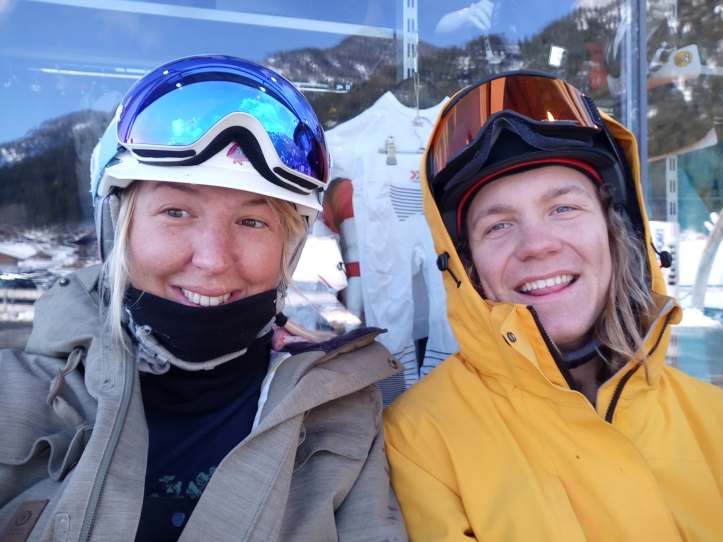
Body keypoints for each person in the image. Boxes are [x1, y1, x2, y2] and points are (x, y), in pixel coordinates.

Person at [0, 55, 407, 542]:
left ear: (289, 249)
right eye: (176, 212)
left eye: (252, 221)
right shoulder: (15, 397)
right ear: (118, 229)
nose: (213, 260)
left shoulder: (342, 414)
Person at [384, 71, 723, 540]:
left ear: (616, 231)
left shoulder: (713, 418)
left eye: (563, 208)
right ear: (465, 266)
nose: (537, 245)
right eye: (498, 226)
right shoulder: (420, 440)